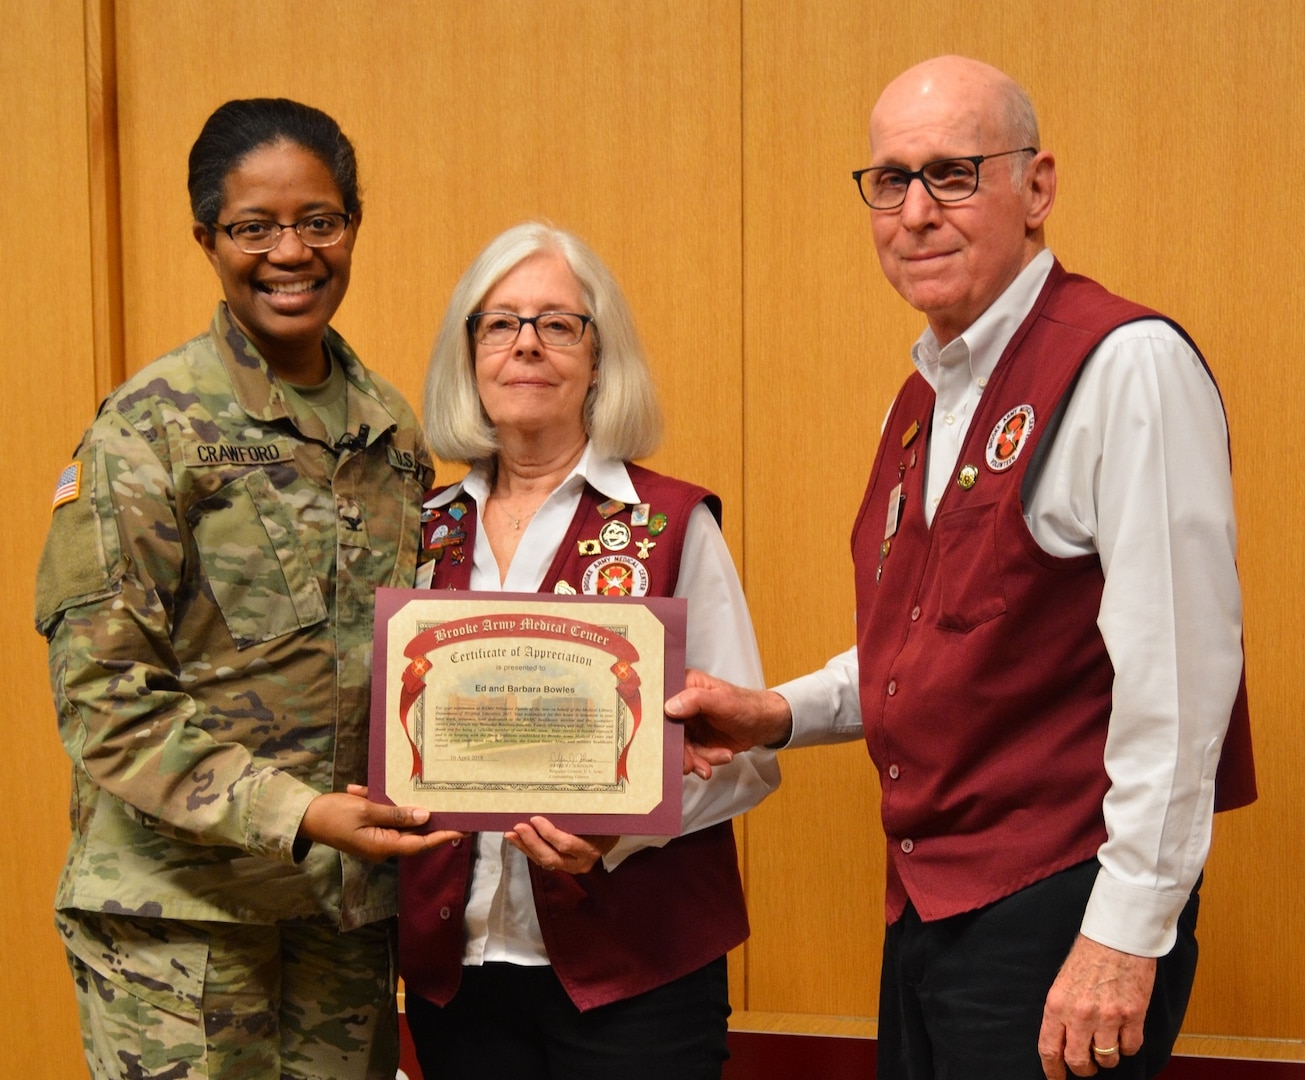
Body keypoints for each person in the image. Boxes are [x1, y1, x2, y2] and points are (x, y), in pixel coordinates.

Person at [666, 56, 1256, 1080]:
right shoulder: (927, 396)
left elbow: (1183, 680)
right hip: (934, 908)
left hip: (1064, 905)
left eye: (954, 172)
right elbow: (936, 642)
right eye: (890, 180)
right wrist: (777, 714)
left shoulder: (1125, 363)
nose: (916, 211)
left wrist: (1126, 933)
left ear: (1036, 188)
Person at [35, 98, 458, 1079]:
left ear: (352, 224)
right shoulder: (149, 431)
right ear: (208, 240)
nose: (290, 252)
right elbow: (106, 704)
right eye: (252, 227)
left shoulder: (393, 435)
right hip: (179, 924)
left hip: (340, 918)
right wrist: (296, 814)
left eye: (318, 220)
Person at [399, 222, 780, 1080]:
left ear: (599, 357)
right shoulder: (415, 531)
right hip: (455, 974)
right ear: (468, 354)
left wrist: (620, 836)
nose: (525, 344)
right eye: (499, 323)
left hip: (639, 968)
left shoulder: (673, 523)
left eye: (557, 323)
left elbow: (746, 758)